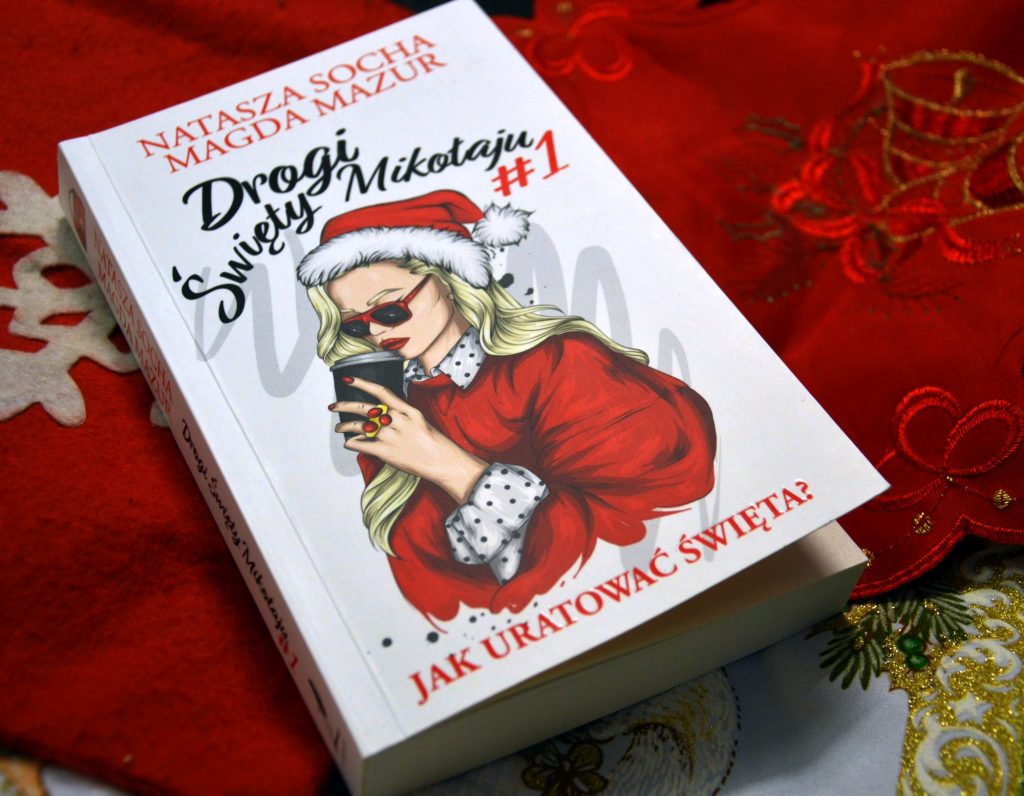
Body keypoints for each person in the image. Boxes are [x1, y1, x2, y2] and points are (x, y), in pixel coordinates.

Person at [297, 190, 716, 621]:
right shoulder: (394, 414)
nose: (375, 333)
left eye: (389, 311)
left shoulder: (559, 362)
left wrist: (448, 466)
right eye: (355, 324)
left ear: (449, 281)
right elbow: (429, 584)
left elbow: (632, 527)